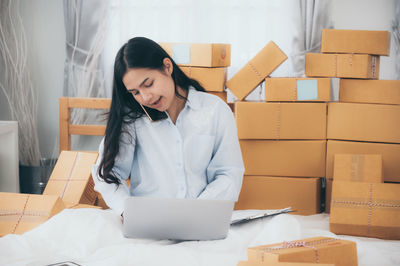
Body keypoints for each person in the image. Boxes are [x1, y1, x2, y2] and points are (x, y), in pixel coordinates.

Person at [91, 37, 244, 216]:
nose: (145, 97)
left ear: (167, 67)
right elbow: (107, 175)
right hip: (148, 223)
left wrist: (196, 212)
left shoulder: (215, 110)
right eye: (135, 93)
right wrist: (128, 211)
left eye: (148, 84)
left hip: (200, 220)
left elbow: (229, 173)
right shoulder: (132, 120)